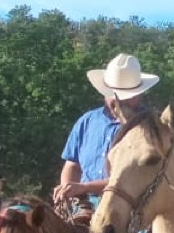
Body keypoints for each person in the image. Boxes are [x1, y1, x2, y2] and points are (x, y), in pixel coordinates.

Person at [56, 54, 161, 211]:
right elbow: (72, 165)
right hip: (83, 204)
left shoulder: (150, 127)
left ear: (139, 95)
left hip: (129, 206)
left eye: (125, 96)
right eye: (114, 94)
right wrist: (67, 189)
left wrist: (85, 187)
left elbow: (135, 178)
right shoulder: (87, 121)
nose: (118, 101)